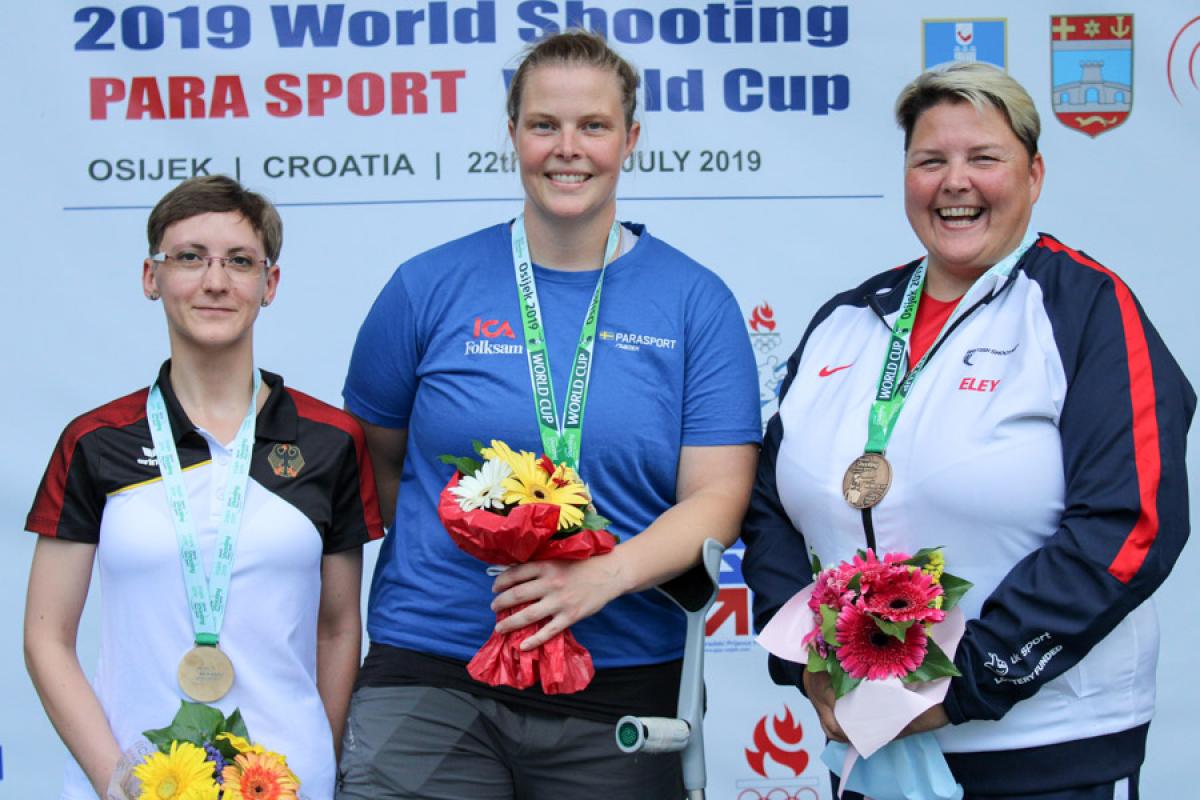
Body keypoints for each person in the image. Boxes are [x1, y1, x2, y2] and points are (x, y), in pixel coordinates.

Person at [742, 62, 1194, 799]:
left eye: (984, 158)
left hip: (1047, 754)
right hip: (868, 751)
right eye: (931, 161)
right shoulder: (845, 320)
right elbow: (768, 510)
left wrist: (963, 683)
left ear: (1034, 174)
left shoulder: (1088, 309)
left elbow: (1130, 523)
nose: (956, 182)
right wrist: (810, 663)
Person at [338, 30, 760, 800]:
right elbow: (378, 461)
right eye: (544, 125)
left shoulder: (696, 302)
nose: (568, 149)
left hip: (621, 679)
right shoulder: (426, 287)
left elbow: (717, 498)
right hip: (435, 668)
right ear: (512, 135)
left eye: (593, 126)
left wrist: (597, 579)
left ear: (630, 138)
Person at [24, 175, 384, 799]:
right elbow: (46, 637)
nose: (214, 281)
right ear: (150, 276)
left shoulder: (330, 440)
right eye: (189, 257)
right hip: (137, 787)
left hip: (286, 784)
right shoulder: (95, 440)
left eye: (239, 262)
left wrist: (315, 765)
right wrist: (117, 779)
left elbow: (337, 629)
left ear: (268, 284)